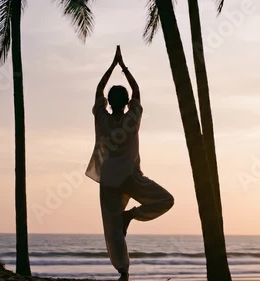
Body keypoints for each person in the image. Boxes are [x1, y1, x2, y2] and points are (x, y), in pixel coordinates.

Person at [85, 46, 175, 281]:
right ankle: (132, 215)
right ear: (126, 102)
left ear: (110, 102)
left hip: (109, 181)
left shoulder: (102, 119)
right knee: (166, 200)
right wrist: (122, 66)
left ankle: (124, 272)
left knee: (113, 230)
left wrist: (110, 66)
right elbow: (136, 91)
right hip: (130, 177)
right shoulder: (132, 118)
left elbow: (98, 91)